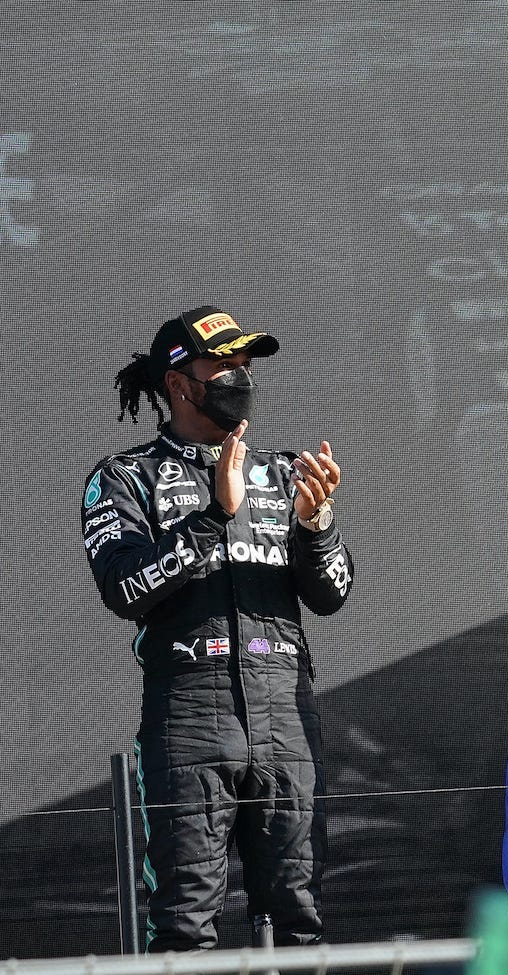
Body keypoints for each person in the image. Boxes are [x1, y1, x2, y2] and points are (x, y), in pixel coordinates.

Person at [82, 306, 354, 950]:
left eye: (245, 364)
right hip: (190, 714)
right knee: (184, 923)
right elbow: (123, 589)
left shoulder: (285, 473)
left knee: (300, 915)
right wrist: (212, 517)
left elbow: (333, 593)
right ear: (179, 384)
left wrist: (317, 528)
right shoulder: (124, 479)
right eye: (223, 364)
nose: (240, 376)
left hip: (286, 709)